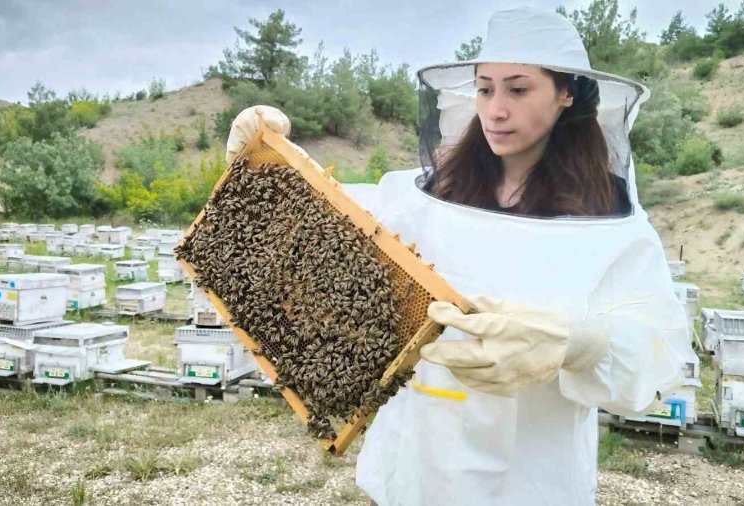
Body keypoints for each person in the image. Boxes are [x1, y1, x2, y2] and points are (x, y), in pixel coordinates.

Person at [225, 7, 692, 506]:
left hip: (532, 477)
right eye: (485, 88)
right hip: (414, 465)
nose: (495, 110)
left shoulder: (613, 225)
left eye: (518, 89)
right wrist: (260, 166)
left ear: (565, 93)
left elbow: (657, 343)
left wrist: (579, 344)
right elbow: (321, 223)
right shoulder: (417, 195)